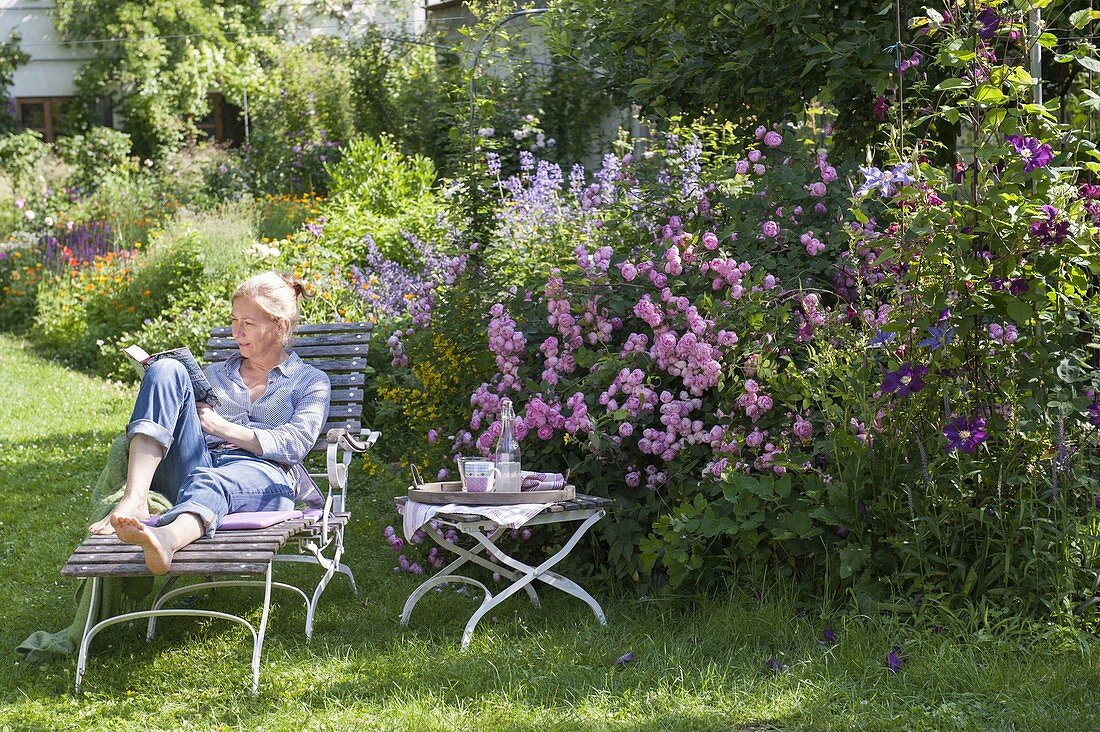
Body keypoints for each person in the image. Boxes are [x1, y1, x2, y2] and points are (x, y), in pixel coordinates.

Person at [88, 271, 331, 575]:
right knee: (166, 369)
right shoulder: (214, 376)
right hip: (197, 465)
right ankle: (135, 498)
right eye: (234, 320)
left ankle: (166, 540)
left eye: (248, 324)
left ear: (278, 327)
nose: (236, 332)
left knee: (213, 480)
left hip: (265, 477)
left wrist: (222, 428)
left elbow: (295, 444)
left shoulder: (310, 381)